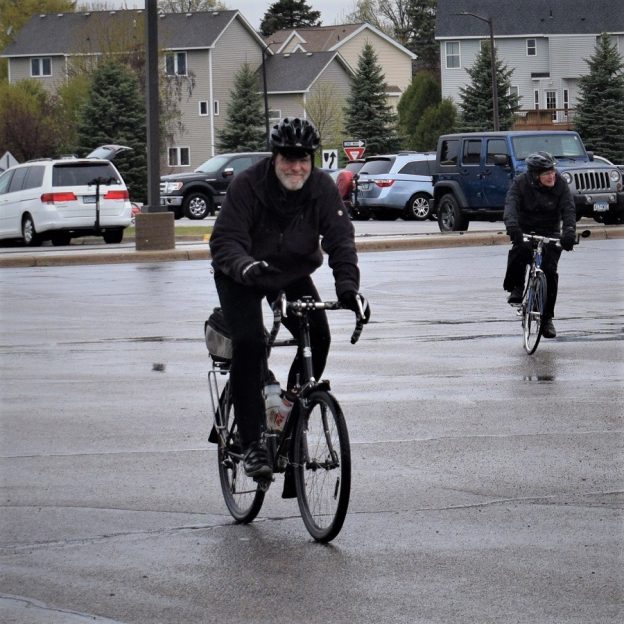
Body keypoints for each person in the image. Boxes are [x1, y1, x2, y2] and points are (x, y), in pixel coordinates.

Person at [209, 117, 370, 481]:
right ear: (275, 156)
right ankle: (251, 443)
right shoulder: (248, 185)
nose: (296, 166)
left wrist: (349, 289)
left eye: (303, 158)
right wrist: (244, 266)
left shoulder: (321, 189)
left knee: (320, 337)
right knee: (250, 343)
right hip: (242, 272)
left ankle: (285, 411)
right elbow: (225, 240)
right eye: (288, 158)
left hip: (291, 271)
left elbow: (340, 240)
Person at [503, 151, 576, 338]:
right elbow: (510, 206)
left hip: (550, 230)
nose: (551, 175)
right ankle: (517, 288)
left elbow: (568, 209)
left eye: (552, 171)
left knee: (550, 272)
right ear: (536, 175)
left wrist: (568, 233)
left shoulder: (560, 184)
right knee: (520, 251)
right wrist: (513, 227)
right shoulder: (520, 183)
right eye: (546, 173)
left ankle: (547, 319)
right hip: (525, 228)